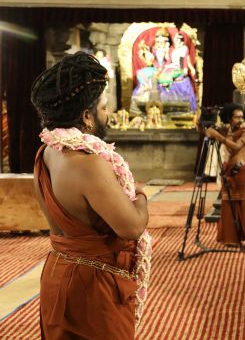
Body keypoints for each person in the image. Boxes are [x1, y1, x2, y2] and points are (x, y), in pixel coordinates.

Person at [30, 52, 150, 339]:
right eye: (104, 108)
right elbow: (132, 227)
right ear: (87, 116)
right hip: (92, 286)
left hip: (59, 271)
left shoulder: (47, 151)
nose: (107, 115)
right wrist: (140, 194)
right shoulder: (88, 163)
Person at [205, 103, 245, 247]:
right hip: (228, 171)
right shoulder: (227, 130)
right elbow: (207, 133)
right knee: (228, 204)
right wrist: (204, 126)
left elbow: (236, 147)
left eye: (242, 117)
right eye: (236, 117)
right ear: (229, 118)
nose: (240, 120)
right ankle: (231, 239)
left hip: (241, 171)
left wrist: (218, 136)